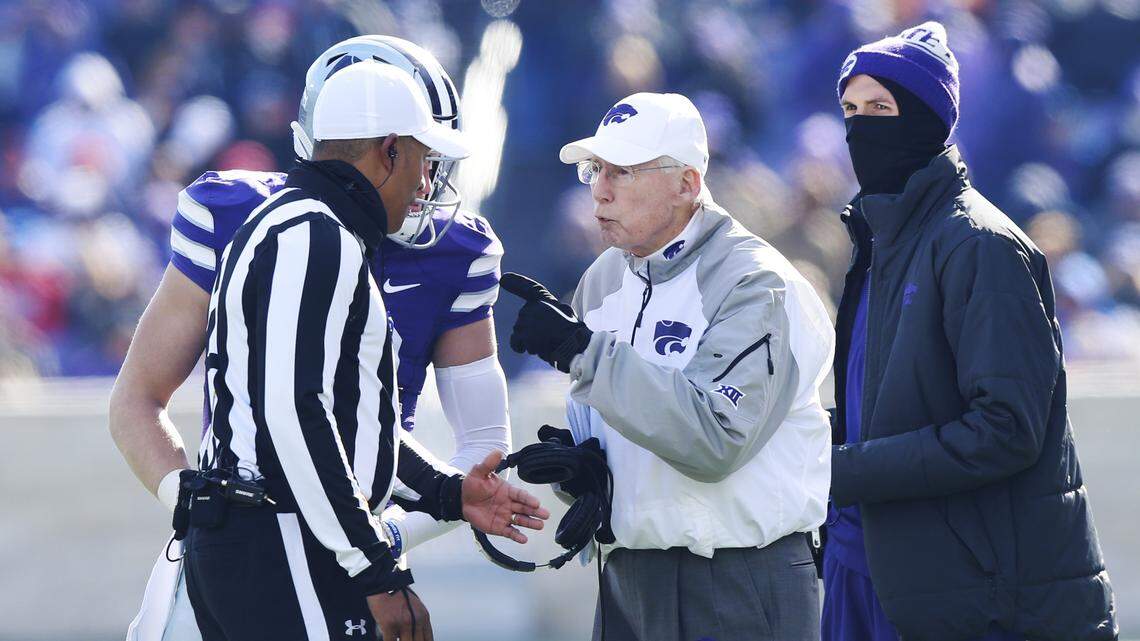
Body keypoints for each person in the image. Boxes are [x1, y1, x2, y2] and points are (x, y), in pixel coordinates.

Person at [113, 37, 514, 640]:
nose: (429, 182)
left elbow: (356, 424)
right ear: (388, 150)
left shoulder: (318, 229)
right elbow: (294, 415)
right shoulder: (307, 233)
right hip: (289, 532)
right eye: (422, 157)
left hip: (322, 526)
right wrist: (374, 562)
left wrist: (442, 495)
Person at [499, 91, 834, 641]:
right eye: (594, 169)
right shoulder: (603, 279)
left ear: (688, 184)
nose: (600, 190)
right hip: (628, 575)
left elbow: (714, 440)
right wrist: (584, 473)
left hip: (739, 579)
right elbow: (628, 418)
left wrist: (581, 351)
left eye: (623, 171)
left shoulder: (756, 284)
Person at [823, 21, 1117, 641]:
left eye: (881, 108)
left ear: (930, 119)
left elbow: (1006, 429)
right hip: (870, 569)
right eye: (850, 109)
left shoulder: (981, 246)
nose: (861, 127)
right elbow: (880, 410)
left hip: (969, 599)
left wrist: (841, 471)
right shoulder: (877, 241)